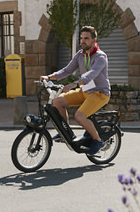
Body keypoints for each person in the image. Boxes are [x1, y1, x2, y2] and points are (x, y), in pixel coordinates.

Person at [43, 25, 110, 155]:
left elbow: (91, 74)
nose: (83, 41)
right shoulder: (80, 55)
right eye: (81, 38)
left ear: (94, 40)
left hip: (100, 92)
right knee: (57, 102)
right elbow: (67, 71)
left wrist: (74, 84)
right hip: (86, 90)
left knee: (79, 116)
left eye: (86, 38)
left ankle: (98, 140)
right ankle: (65, 133)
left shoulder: (100, 57)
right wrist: (48, 77)